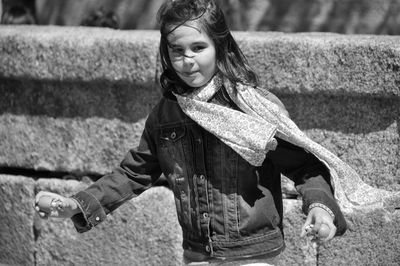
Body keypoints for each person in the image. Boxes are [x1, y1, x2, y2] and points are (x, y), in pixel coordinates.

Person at [35, 0, 349, 265]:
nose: (187, 61)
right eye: (176, 50)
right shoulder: (166, 113)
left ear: (220, 46)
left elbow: (305, 167)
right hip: (197, 254)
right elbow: (134, 172)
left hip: (253, 255)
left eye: (198, 47)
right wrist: (79, 204)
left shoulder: (253, 107)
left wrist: (321, 208)